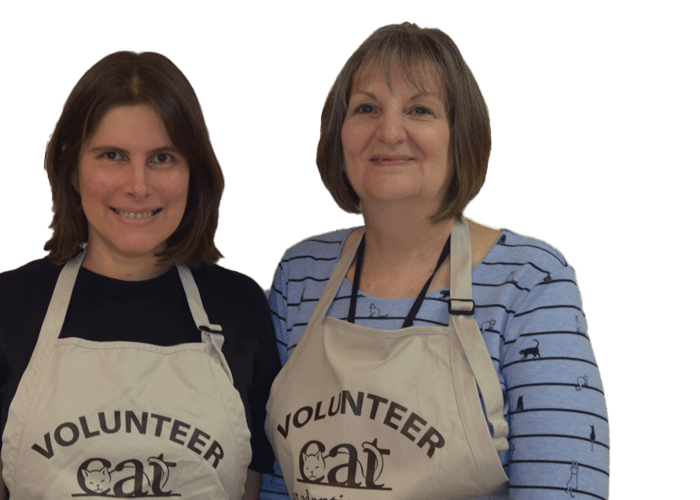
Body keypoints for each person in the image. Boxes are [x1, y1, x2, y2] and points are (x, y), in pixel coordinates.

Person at [260, 22, 609, 499]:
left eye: (419, 109)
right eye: (366, 108)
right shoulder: (301, 274)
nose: (389, 131)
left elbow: (565, 489)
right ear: (339, 137)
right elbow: (278, 477)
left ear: (459, 135)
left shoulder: (529, 281)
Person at [0, 51, 280, 500]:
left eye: (162, 158)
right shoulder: (2, 310)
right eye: (112, 156)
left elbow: (249, 481)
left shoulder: (241, 308)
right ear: (72, 168)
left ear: (193, 173)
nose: (138, 185)